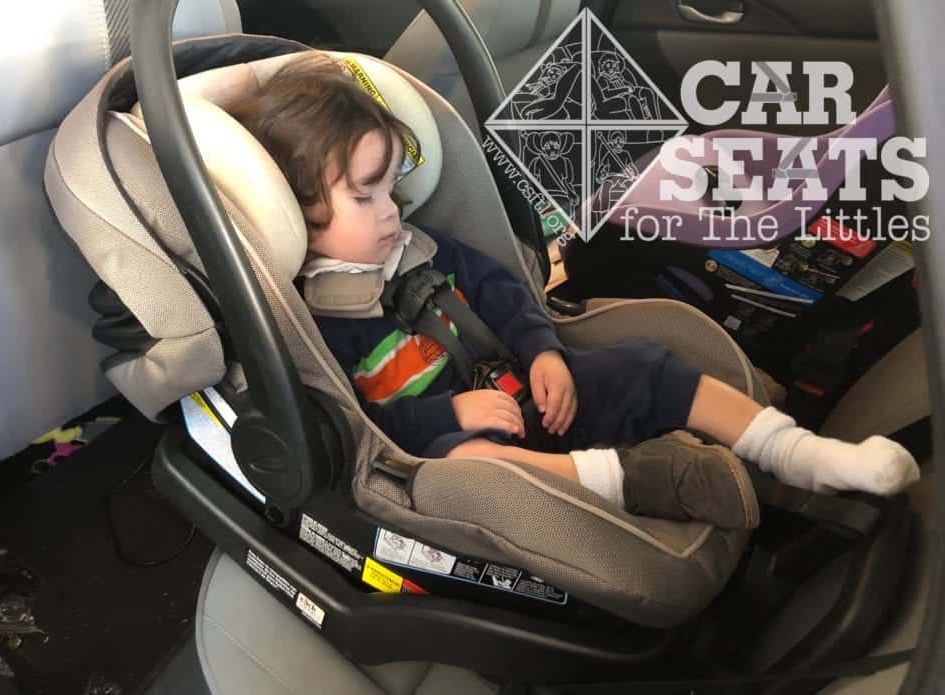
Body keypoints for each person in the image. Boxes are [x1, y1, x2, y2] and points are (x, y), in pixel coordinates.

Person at [236, 52, 920, 529]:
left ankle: (798, 455)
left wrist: (543, 351)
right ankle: (641, 476)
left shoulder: (420, 248)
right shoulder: (320, 325)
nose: (392, 211)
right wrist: (452, 413)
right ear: (296, 212)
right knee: (472, 465)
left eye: (392, 188)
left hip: (525, 385)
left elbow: (502, 291)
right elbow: (366, 425)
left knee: (643, 363)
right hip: (456, 435)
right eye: (365, 197)